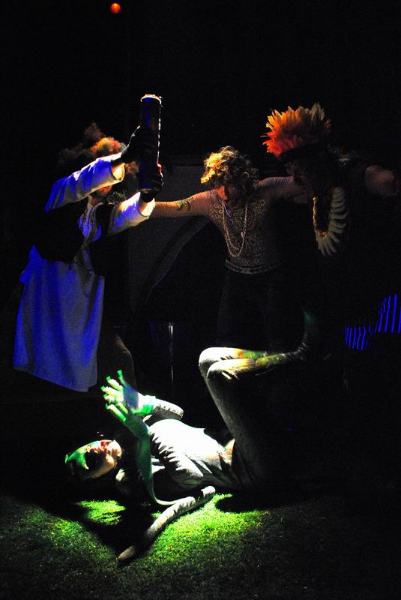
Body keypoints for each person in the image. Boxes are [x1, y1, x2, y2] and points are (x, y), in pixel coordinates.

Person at [13, 122, 160, 392]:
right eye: (109, 170)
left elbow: (127, 215)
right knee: (44, 368)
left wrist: (146, 196)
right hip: (49, 294)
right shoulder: (62, 192)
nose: (109, 181)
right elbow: (82, 181)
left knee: (109, 360)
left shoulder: (102, 211)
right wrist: (123, 157)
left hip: (82, 302)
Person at [149, 146, 309, 352]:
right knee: (227, 338)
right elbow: (171, 208)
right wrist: (131, 208)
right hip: (236, 278)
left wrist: (306, 162)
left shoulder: (266, 189)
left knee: (279, 339)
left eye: (229, 185)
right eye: (218, 186)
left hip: (271, 277)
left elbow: (305, 184)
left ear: (242, 179)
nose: (223, 193)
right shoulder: (210, 200)